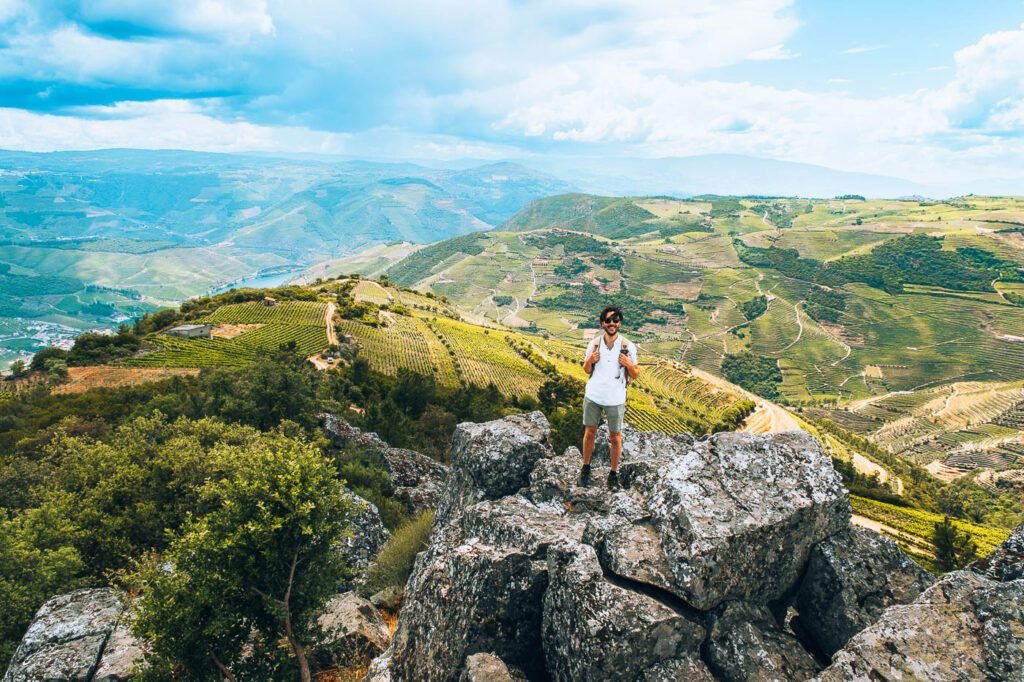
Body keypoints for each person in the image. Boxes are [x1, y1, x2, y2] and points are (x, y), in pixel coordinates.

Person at [580, 306, 639, 489]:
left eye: (615, 320)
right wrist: (590, 361)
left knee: (616, 437)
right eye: (608, 321)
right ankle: (585, 468)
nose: (611, 324)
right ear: (602, 323)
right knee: (590, 433)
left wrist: (628, 364)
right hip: (594, 395)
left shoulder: (628, 347)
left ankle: (613, 473)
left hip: (615, 397)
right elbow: (586, 369)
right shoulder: (595, 344)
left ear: (619, 323)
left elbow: (636, 374)